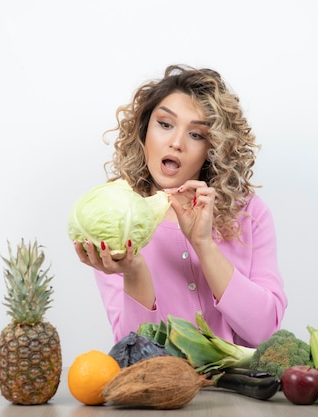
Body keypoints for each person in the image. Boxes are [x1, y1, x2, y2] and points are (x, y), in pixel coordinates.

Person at [73, 64, 287, 348]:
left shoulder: (249, 213)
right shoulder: (115, 218)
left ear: (213, 149)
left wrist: (203, 244)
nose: (176, 143)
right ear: (143, 130)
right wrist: (133, 270)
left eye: (196, 134)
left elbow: (263, 332)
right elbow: (133, 349)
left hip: (240, 390)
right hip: (165, 390)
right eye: (165, 124)